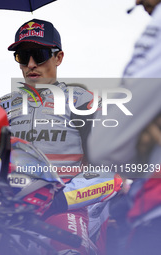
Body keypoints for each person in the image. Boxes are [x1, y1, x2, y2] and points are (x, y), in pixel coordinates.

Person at [0, 19, 121, 255]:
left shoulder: (83, 101)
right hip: (10, 212)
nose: (31, 64)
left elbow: (111, 171)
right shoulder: (0, 106)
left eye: (40, 54)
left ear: (58, 57)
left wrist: (59, 202)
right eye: (23, 57)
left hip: (67, 209)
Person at [87, 0, 161, 254]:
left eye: (38, 55)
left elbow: (108, 145)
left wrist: (137, 131)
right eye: (21, 55)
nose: (138, 3)